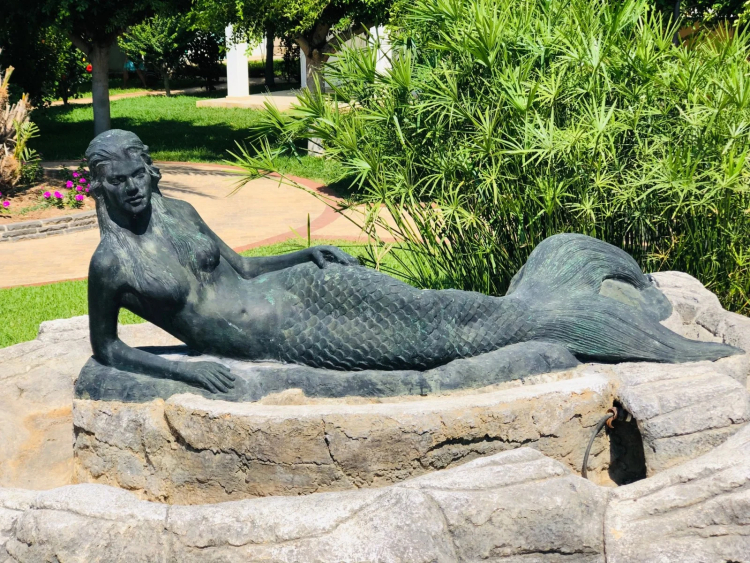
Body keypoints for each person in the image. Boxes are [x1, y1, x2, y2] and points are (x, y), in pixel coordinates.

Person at [85, 130, 740, 393]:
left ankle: (597, 303)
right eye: (120, 182)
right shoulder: (111, 267)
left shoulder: (178, 212)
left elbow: (242, 267)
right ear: (101, 187)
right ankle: (595, 318)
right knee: (438, 343)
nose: (134, 188)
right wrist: (192, 372)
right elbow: (109, 352)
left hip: (304, 288)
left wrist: (307, 252)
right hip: (286, 337)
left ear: (151, 170)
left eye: (140, 174)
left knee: (444, 308)